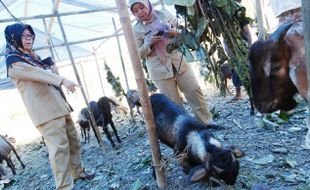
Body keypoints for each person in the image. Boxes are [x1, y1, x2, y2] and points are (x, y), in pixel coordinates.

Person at [4, 23, 95, 190]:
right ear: (14, 38)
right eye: (24, 36)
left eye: (30, 36)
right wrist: (61, 79)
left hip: (59, 106)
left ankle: (78, 172)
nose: (28, 39)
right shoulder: (13, 62)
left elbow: (49, 75)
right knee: (59, 149)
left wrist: (54, 70)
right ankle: (64, 186)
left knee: (73, 142)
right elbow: (38, 74)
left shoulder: (33, 58)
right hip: (45, 112)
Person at [128, 0, 213, 126]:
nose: (140, 12)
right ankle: (187, 129)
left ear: (148, 5)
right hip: (159, 70)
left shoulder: (164, 14)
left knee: (194, 91)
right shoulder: (136, 30)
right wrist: (148, 43)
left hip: (178, 61)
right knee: (174, 104)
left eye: (142, 7)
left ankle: (207, 123)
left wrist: (175, 33)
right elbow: (137, 55)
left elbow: (182, 32)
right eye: (135, 10)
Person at [223, 0, 252, 101]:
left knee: (248, 69)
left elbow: (248, 33)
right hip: (232, 48)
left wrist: (250, 46)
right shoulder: (224, 17)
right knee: (235, 70)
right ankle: (238, 93)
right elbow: (225, 36)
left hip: (242, 47)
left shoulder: (240, 16)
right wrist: (227, 48)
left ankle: (253, 92)